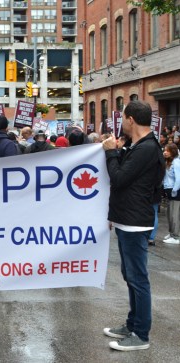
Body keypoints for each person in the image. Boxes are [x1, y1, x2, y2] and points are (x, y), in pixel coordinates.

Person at [102, 100, 165, 351]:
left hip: (135, 222)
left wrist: (110, 153)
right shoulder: (139, 146)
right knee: (130, 276)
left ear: (130, 120)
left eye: (123, 120)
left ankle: (141, 334)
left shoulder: (147, 148)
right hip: (128, 219)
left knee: (138, 278)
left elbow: (118, 179)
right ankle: (132, 323)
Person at [161, 143, 180, 245]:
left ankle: (175, 236)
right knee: (169, 213)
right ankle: (171, 232)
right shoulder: (169, 162)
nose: (165, 152)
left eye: (167, 151)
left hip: (175, 192)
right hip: (169, 190)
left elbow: (179, 178)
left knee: (174, 214)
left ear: (172, 152)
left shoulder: (176, 162)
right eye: (164, 150)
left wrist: (175, 189)